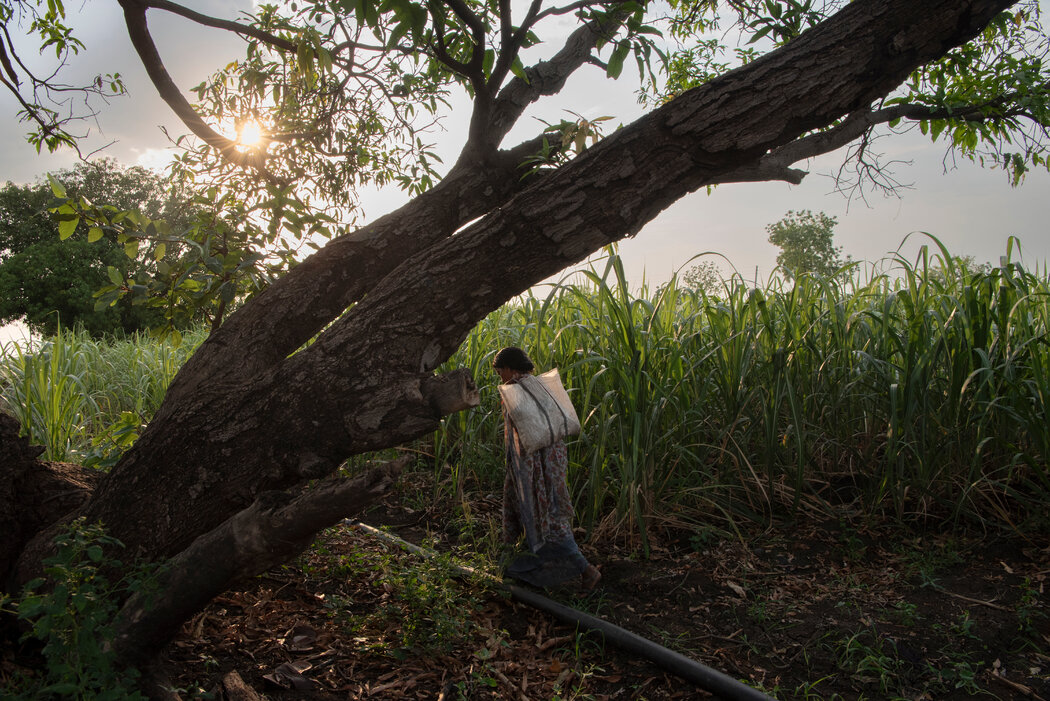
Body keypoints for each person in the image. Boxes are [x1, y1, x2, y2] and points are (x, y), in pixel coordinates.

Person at [492, 346, 601, 590]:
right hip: (551, 467)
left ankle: (586, 570)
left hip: (533, 470)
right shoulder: (540, 386)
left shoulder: (516, 393)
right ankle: (522, 569)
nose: (501, 378)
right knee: (540, 517)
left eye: (501, 372)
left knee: (548, 522)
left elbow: (521, 438)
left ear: (510, 368)